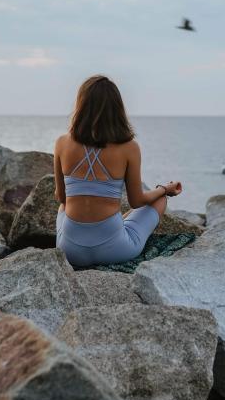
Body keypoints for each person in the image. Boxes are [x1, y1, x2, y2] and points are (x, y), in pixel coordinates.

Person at [54, 75, 182, 267]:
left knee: (63, 208)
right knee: (159, 200)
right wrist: (164, 189)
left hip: (70, 252)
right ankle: (117, 225)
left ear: (81, 105)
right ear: (117, 108)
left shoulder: (62, 143)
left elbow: (61, 198)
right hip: (116, 251)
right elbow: (137, 201)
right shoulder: (129, 147)